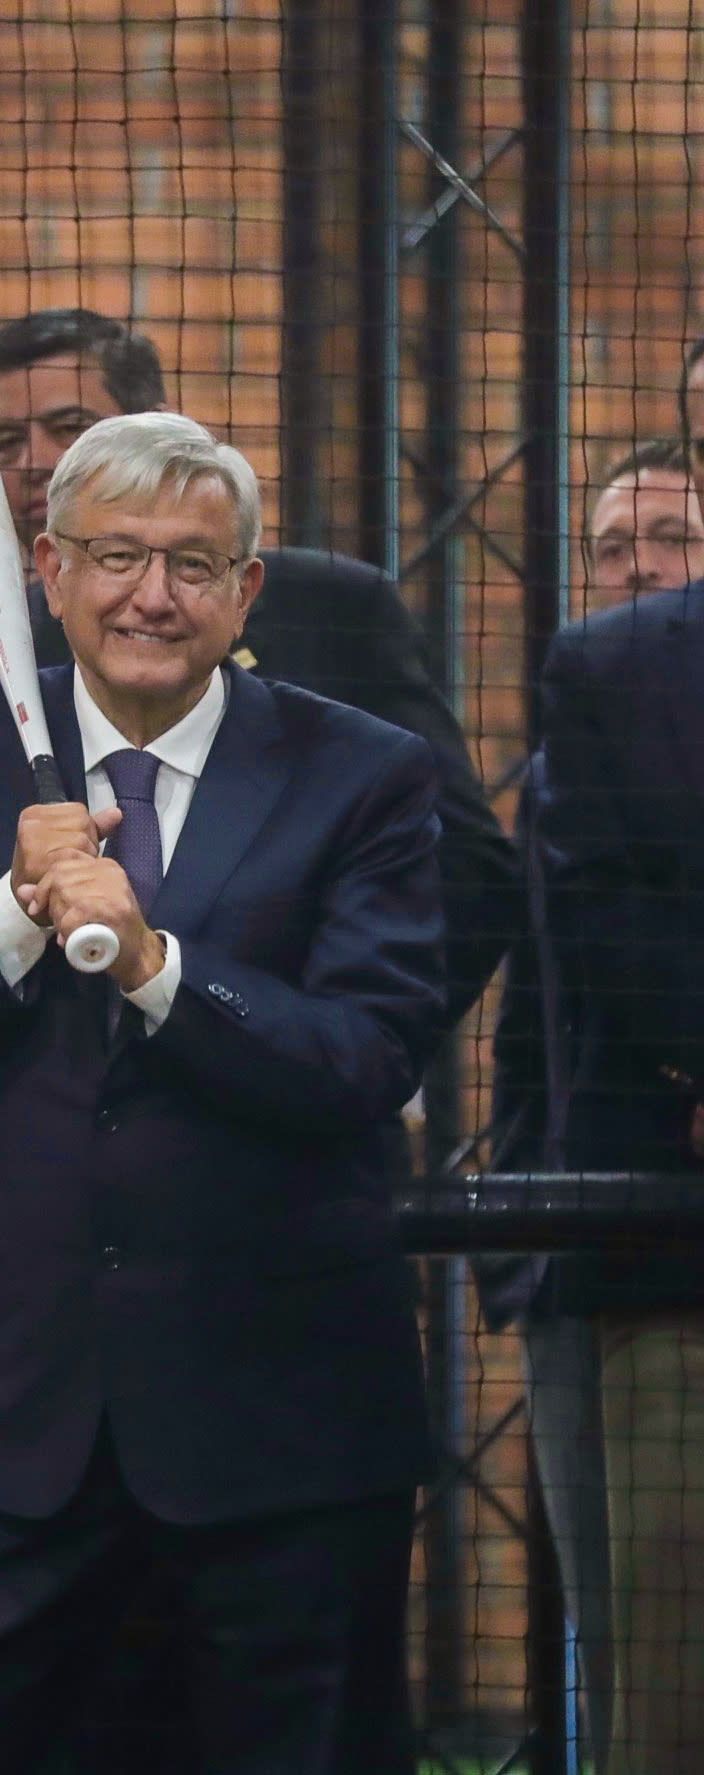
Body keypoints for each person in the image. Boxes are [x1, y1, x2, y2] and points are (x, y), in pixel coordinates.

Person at [0, 411, 447, 1774]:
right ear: (47, 568)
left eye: (194, 564)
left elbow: (365, 1058)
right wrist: (10, 909)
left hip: (282, 1425)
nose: (151, 594)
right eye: (115, 555)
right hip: (17, 1415)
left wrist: (156, 963)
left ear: (246, 590)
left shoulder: (364, 773)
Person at [0, 305, 516, 1346]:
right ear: (51, 563)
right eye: (6, 441)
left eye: (67, 423)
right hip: (19, 1273)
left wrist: (333, 1048)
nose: (34, 457)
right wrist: (13, 906)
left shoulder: (326, 616)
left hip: (284, 1238)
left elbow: (467, 872)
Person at [479, 438, 704, 1774]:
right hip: (590, 1243)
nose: (635, 563)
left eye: (667, 537)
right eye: (610, 545)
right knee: (635, 1650)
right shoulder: (576, 736)